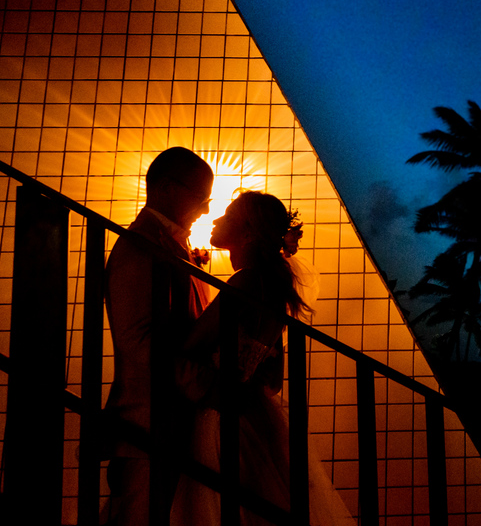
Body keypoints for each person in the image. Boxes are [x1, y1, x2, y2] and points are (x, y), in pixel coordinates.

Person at [170, 190, 355, 526]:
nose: (215, 219)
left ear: (248, 233)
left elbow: (190, 346)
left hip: (221, 416)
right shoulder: (271, 286)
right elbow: (273, 378)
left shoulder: (246, 281)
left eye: (227, 216)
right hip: (253, 416)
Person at [105, 146, 215, 525]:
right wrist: (204, 383)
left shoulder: (170, 243)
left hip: (171, 421)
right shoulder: (140, 245)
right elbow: (139, 341)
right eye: (201, 198)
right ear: (167, 187)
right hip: (149, 424)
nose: (206, 210)